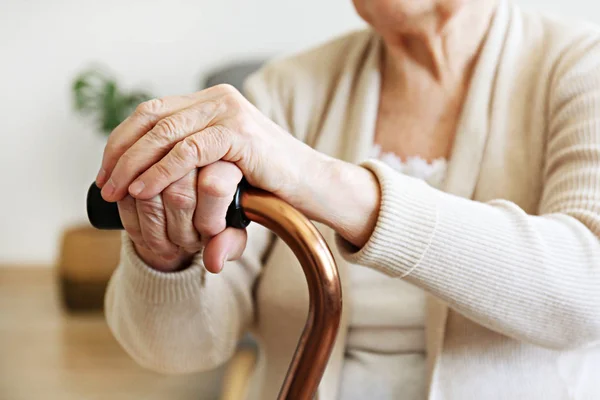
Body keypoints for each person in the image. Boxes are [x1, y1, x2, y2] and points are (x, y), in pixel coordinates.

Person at [98, 0, 600, 398]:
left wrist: (318, 180)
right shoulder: (283, 90)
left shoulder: (581, 65)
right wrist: (165, 260)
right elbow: (174, 352)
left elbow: (588, 288)